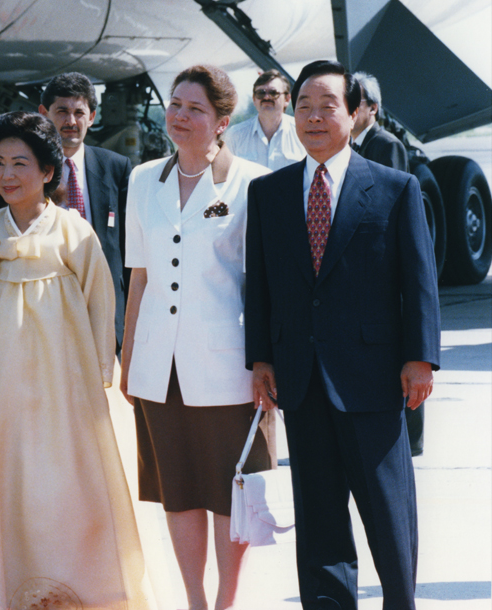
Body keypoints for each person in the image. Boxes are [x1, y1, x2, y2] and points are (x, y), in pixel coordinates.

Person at [245, 60, 440, 609]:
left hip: (374, 379)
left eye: (327, 106)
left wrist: (420, 358)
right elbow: (259, 283)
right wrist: (261, 358)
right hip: (300, 378)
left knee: (388, 513)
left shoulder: (395, 188)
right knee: (319, 518)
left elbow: (419, 280)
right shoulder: (269, 193)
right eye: (303, 106)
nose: (313, 117)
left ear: (354, 114)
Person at [0, 111, 157, 609]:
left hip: (63, 386)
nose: (7, 175)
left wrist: (99, 375)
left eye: (20, 163)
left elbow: (100, 303)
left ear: (47, 171)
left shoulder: (74, 233)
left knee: (61, 487)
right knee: (1, 482)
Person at [121, 64, 275, 610]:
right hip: (158, 368)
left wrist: (266, 362)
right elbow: (139, 277)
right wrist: (129, 358)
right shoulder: (143, 179)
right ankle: (194, 601)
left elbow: (264, 286)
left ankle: (226, 602)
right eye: (175, 105)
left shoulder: (253, 183)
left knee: (231, 491)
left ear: (222, 122)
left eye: (195, 109)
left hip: (228, 367)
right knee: (179, 489)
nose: (180, 117)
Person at [350, 71, 424, 457]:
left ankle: (412, 439)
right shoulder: (350, 145)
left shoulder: (385, 145)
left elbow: (389, 202)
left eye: (355, 102)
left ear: (373, 109)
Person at [39, 72, 131, 349]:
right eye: (61, 112)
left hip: (104, 311)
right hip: (46, 306)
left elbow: (129, 248)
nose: (71, 121)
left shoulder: (116, 167)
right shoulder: (28, 169)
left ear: (91, 117)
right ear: (44, 114)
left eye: (79, 113)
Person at [224, 69, 305, 170]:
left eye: (273, 93)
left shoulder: (302, 132)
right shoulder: (235, 135)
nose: (266, 97)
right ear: (254, 99)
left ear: (287, 99)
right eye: (260, 93)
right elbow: (226, 174)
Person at [350, 72, 409, 172]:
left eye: (354, 102)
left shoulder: (388, 145)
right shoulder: (345, 145)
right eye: (345, 103)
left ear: (373, 108)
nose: (348, 109)